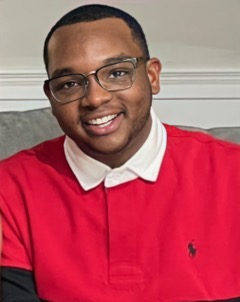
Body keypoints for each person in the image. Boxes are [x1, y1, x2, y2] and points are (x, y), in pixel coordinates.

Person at [0, 4, 240, 302]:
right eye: (71, 83)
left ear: (152, 76)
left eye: (116, 73)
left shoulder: (233, 173)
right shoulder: (9, 188)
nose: (96, 98)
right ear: (52, 97)